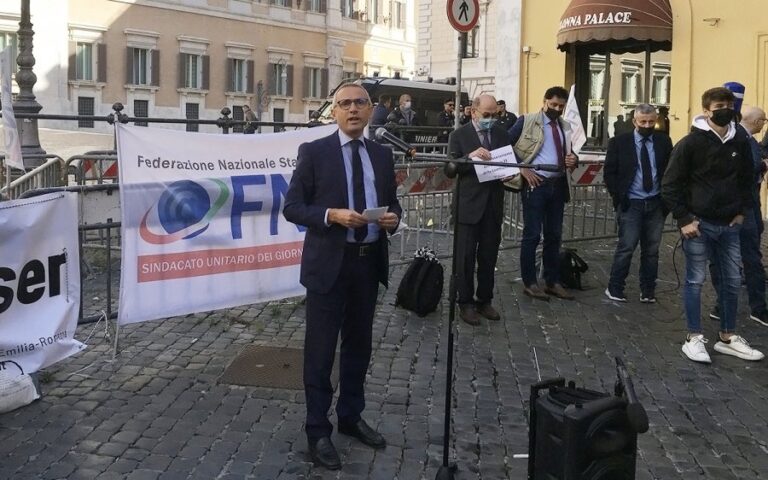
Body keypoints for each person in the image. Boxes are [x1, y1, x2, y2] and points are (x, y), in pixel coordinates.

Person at [283, 83, 402, 469]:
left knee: (358, 347)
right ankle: (318, 429)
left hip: (367, 264)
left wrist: (394, 218)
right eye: (345, 104)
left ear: (370, 110)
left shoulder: (382, 155)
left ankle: (351, 416)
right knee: (320, 352)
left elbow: (393, 202)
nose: (353, 109)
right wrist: (330, 215)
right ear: (333, 112)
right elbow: (292, 207)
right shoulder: (314, 152)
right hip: (328, 266)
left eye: (360, 103)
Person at [661, 86, 764, 364]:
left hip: (730, 225)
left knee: (731, 281)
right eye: (719, 107)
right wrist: (684, 219)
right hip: (698, 224)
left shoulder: (739, 141)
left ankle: (727, 336)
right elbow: (670, 185)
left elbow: (747, 179)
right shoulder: (690, 143)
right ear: (706, 111)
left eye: (729, 106)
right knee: (695, 281)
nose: (725, 111)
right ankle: (694, 337)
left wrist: (741, 212)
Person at [508, 86, 578, 301]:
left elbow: (569, 152)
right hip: (536, 184)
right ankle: (530, 282)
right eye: (553, 104)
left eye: (560, 106)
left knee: (554, 235)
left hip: (558, 184)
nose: (556, 109)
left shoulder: (565, 126)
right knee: (532, 234)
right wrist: (522, 168)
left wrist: (573, 159)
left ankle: (552, 281)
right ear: (545, 101)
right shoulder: (527, 121)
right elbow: (505, 146)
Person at [448, 94, 510, 325]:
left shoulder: (502, 134)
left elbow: (509, 161)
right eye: (486, 115)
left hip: (492, 205)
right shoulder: (459, 135)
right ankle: (465, 302)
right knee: (464, 258)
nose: (491, 119)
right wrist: (469, 157)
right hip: (468, 206)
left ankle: (484, 299)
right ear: (473, 112)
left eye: (495, 115)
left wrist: (510, 173)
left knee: (488, 256)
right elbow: (450, 169)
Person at [603, 104, 673, 303]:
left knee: (652, 251)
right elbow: (610, 172)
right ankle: (615, 287)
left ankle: (648, 290)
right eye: (643, 122)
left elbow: (670, 170)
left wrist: (666, 202)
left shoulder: (663, 141)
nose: (647, 125)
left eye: (651, 122)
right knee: (626, 247)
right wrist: (618, 198)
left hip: (655, 203)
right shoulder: (619, 142)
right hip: (631, 203)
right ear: (635, 121)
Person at [709, 106, 768, 325]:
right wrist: (763, 165)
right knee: (747, 258)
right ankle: (756, 308)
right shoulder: (741, 139)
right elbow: (746, 170)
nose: (764, 125)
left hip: (743, 206)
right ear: (757, 122)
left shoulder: (742, 138)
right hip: (739, 207)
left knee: (731, 258)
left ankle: (725, 305)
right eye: (764, 120)